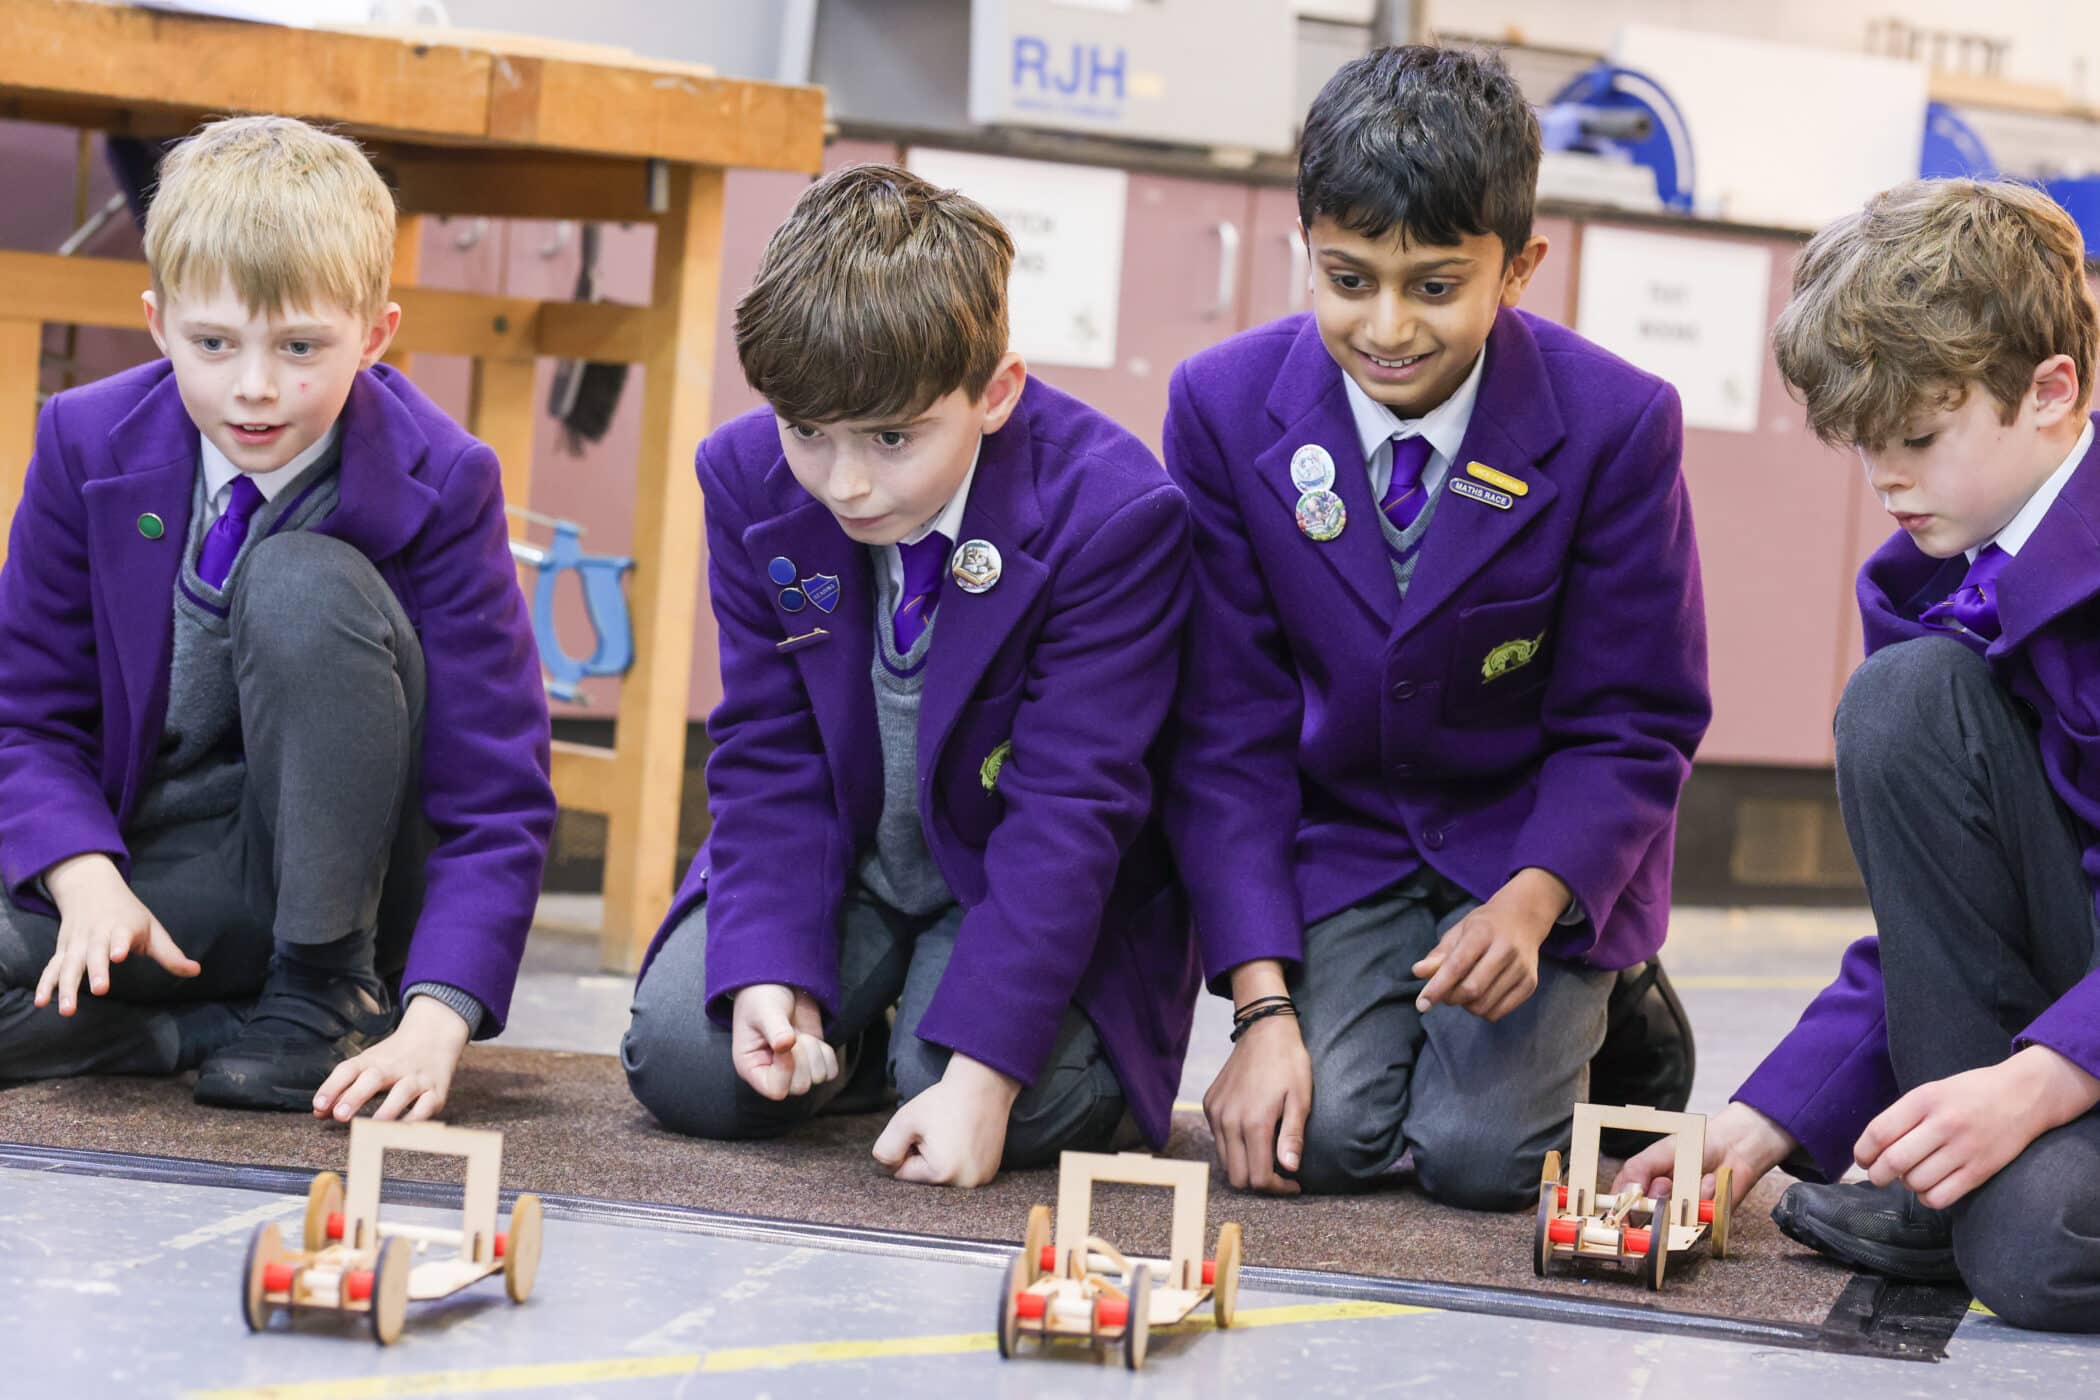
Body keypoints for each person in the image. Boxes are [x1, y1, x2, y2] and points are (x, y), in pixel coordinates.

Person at [1163, 44, 1710, 1207]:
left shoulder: (1617, 424)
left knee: (1478, 1159)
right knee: (1326, 1141)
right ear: (1305, 246)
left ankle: (1623, 996)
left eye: (1435, 286)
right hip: (1348, 842)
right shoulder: (1219, 407)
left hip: (1527, 843)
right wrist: (1261, 1010)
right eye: (1348, 278)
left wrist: (1539, 895)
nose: (1388, 325)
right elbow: (1224, 732)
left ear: (1519, 268)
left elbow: (1635, 717)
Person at [621, 164, 1199, 1187]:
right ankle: (857, 1037)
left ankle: (910, 1048)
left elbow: (1069, 813)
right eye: (807, 431)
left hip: (1012, 883)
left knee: (985, 1094)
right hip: (850, 868)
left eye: (892, 438)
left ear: (996, 393)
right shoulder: (745, 477)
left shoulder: (1115, 515)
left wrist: (984, 1077)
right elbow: (768, 752)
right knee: (691, 1063)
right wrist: (770, 967)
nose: (845, 483)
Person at [1616, 177, 2100, 1331]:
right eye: (1866, 446)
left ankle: (1990, 1176)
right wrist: (1766, 1117)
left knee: (2035, 1253)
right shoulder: (1929, 577)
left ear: (2051, 391)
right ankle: (1965, 1177)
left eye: (1918, 438)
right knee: (1900, 699)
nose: (1886, 480)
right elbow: (1947, 924)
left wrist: (2046, 1078)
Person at [0, 115, 555, 1120]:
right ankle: (199, 1026)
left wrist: (438, 1016)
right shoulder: (83, 439)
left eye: (301, 346)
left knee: (300, 582)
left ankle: (318, 990)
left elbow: (496, 793)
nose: (254, 387)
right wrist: (82, 877)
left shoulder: (448, 479)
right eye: (213, 343)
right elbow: (27, 714)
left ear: (374, 336)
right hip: (149, 867)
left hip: (332, 887)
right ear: (159, 323)